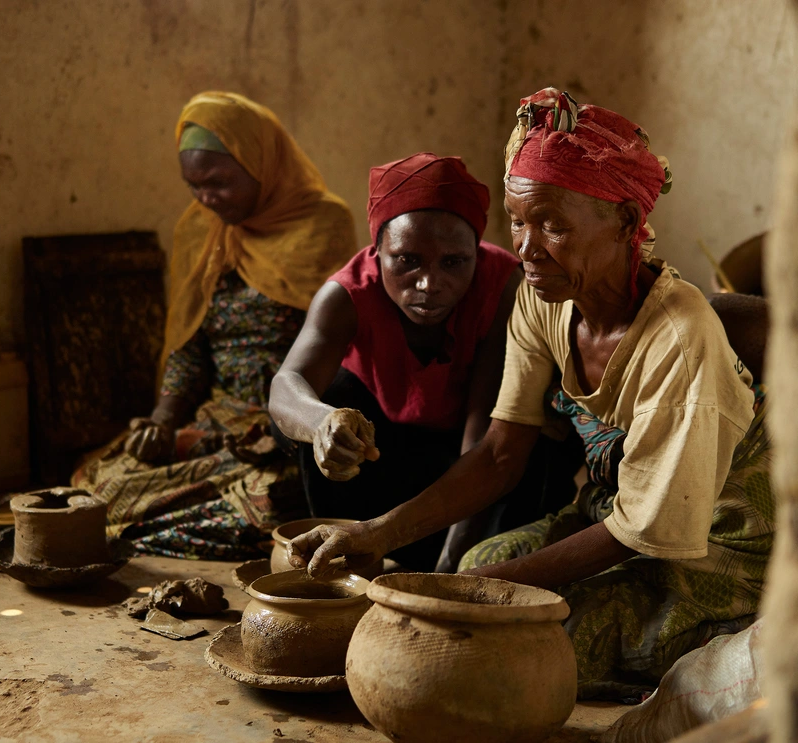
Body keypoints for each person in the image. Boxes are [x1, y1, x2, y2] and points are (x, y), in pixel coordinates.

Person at [286, 90, 774, 700]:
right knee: (473, 574)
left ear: (626, 222)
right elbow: (497, 455)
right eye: (517, 222)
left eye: (553, 225)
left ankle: (735, 628)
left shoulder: (679, 337)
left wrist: (479, 592)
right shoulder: (547, 300)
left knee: (520, 645)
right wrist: (376, 536)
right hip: (613, 514)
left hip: (713, 545)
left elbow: (640, 532)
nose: (526, 247)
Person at [72, 92, 357, 559]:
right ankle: (136, 527)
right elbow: (190, 346)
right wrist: (163, 422)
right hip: (219, 422)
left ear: (260, 164)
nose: (206, 198)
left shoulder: (322, 224)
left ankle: (149, 532)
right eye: (194, 186)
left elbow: (343, 349)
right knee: (102, 481)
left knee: (270, 501)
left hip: (289, 425)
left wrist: (297, 423)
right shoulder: (201, 231)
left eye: (219, 182)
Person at [268, 153, 567, 572]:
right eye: (407, 260)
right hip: (385, 457)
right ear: (377, 251)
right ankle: (347, 559)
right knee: (329, 398)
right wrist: (322, 425)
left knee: (541, 435)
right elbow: (286, 385)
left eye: (453, 262)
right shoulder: (347, 295)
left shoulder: (503, 288)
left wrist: (448, 568)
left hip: (466, 467)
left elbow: (487, 439)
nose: (429, 284)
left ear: (477, 255)